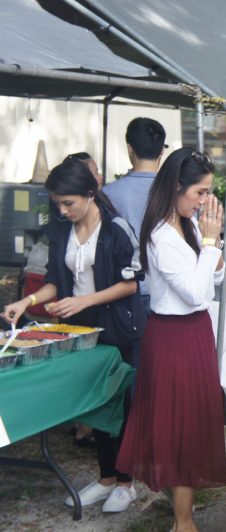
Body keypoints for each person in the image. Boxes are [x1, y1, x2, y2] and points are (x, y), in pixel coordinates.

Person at [2, 158, 145, 512]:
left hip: (118, 329)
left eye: (69, 203)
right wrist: (26, 301)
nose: (63, 211)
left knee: (121, 406)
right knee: (95, 405)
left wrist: (85, 300)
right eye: (58, 204)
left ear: (90, 194)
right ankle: (105, 478)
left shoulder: (116, 229)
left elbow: (131, 283)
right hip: (81, 331)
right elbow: (55, 279)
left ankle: (126, 483)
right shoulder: (60, 230)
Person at [116, 148, 226, 532]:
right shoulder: (161, 235)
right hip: (172, 337)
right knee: (180, 429)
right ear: (177, 187)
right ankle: (183, 522)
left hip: (195, 332)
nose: (204, 201)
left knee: (195, 424)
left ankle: (184, 517)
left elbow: (211, 282)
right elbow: (197, 292)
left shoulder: (189, 225)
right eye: (200, 192)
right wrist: (211, 245)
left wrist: (212, 246)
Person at [103, 117, 167, 313]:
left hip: (125, 290)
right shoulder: (179, 192)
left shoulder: (107, 194)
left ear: (130, 149)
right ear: (162, 151)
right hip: (169, 291)